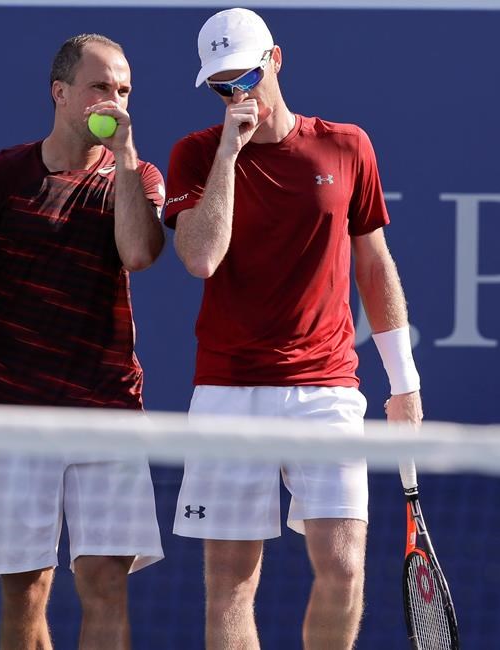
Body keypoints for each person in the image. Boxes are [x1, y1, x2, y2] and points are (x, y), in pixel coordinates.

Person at [164, 8, 423, 650]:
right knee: (230, 581)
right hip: (227, 390)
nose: (237, 94)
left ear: (276, 59)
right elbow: (200, 258)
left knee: (343, 569)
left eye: (247, 76)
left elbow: (373, 262)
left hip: (327, 390)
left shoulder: (348, 145)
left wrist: (404, 382)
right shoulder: (196, 153)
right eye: (222, 85)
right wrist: (228, 150)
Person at [0, 34, 165, 650]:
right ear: (61, 93)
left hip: (106, 414)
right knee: (26, 589)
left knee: (105, 582)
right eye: (101, 87)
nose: (115, 100)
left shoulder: (140, 176)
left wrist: (126, 156)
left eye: (125, 90)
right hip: (13, 416)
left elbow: (138, 253)